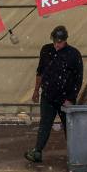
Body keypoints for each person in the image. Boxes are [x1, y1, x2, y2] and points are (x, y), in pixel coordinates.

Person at [25, 25, 83, 163]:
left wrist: (70, 98)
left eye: (60, 42)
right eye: (55, 41)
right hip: (48, 96)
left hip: (65, 98)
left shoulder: (74, 54)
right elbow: (40, 72)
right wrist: (36, 90)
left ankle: (75, 154)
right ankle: (37, 151)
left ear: (65, 40)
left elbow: (78, 78)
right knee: (45, 124)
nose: (57, 45)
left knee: (69, 127)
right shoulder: (46, 50)